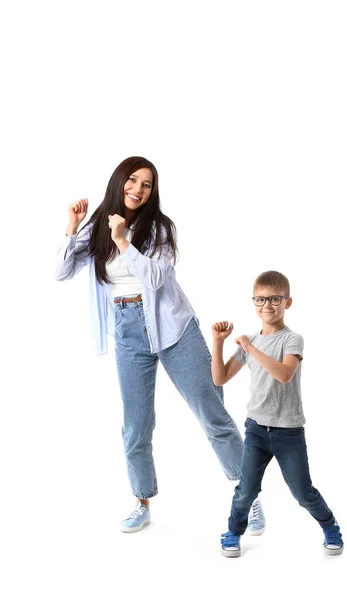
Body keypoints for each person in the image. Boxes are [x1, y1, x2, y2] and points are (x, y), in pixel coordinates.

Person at [55, 156, 264, 533]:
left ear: (153, 192)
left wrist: (123, 242)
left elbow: (153, 278)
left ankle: (248, 496)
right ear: (119, 183)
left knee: (211, 412)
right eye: (131, 181)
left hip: (173, 328)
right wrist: (72, 227)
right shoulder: (99, 225)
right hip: (128, 329)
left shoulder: (160, 229)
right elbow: (61, 271)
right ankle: (141, 501)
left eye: (146, 184)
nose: (137, 189)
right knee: (135, 426)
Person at [211, 270, 343, 557]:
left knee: (302, 492)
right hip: (256, 429)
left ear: (288, 302)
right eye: (260, 299)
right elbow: (219, 379)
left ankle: (330, 527)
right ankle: (233, 533)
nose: (267, 306)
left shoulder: (292, 339)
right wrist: (219, 341)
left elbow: (284, 374)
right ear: (254, 302)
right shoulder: (251, 341)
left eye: (274, 299)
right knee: (246, 490)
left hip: (288, 432)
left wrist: (248, 347)